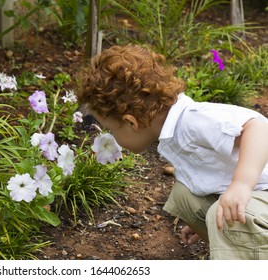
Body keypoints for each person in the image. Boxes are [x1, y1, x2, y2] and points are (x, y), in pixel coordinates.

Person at [75, 44, 268, 259]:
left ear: (131, 122)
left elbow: (258, 128)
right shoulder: (171, 130)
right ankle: (234, 249)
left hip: (261, 191)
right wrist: (203, 223)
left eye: (111, 129)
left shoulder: (192, 120)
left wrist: (241, 185)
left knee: (224, 217)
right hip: (259, 196)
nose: (113, 137)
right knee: (184, 196)